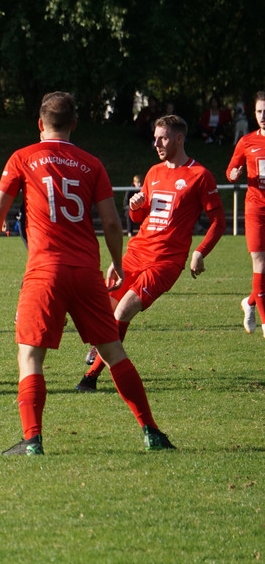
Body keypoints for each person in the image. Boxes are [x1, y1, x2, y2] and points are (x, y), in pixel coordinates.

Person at [0, 91, 174, 455]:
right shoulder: (91, 163)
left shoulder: (23, 157)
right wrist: (117, 261)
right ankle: (151, 432)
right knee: (113, 350)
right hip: (86, 271)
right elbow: (111, 222)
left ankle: (32, 440)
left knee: (30, 355)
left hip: (45, 271)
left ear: (40, 124)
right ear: (75, 124)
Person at [76, 115, 225, 391]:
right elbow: (139, 217)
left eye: (162, 138)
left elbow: (219, 221)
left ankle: (90, 377)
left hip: (165, 262)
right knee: (104, 309)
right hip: (136, 253)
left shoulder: (200, 175)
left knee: (124, 310)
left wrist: (200, 252)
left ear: (179, 138)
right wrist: (135, 206)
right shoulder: (154, 172)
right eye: (155, 138)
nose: (156, 144)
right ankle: (102, 346)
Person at [227, 90, 265, 337]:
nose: (263, 116)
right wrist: (233, 175)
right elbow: (231, 169)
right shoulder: (247, 142)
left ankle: (249, 302)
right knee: (260, 263)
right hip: (256, 210)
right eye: (259, 111)